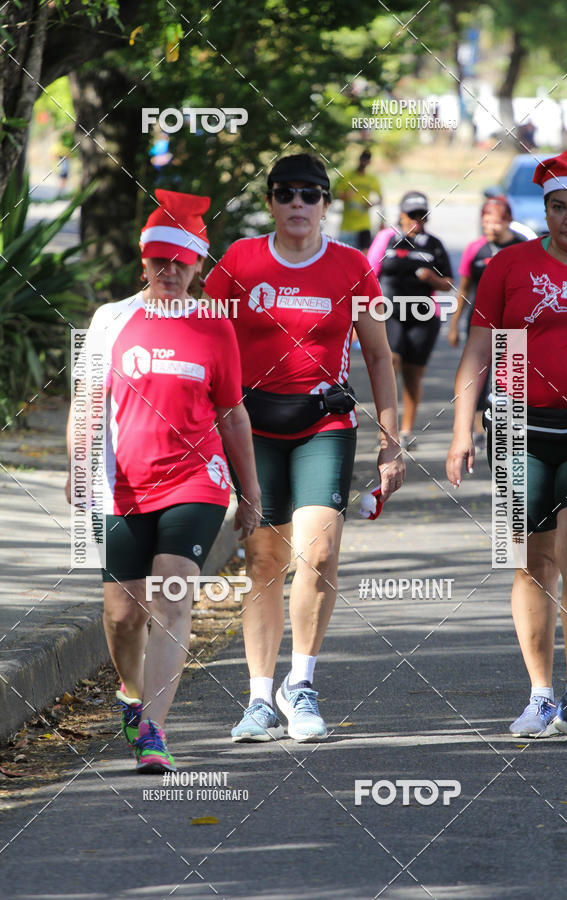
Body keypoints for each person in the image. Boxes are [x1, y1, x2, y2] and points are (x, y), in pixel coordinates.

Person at [205, 152, 404, 743]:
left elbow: (377, 356)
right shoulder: (241, 259)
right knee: (265, 560)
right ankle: (260, 698)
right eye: (286, 193)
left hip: (324, 424)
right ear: (270, 201)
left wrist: (391, 444)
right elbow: (207, 337)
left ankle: (302, 684)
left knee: (317, 553)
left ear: (325, 204)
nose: (298, 204)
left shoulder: (350, 267)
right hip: (254, 426)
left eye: (310, 194)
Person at [65, 189, 261, 772]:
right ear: (144, 262)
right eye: (159, 261)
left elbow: (232, 414)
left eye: (182, 261)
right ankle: (130, 693)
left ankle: (153, 731)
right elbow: (85, 400)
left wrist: (249, 494)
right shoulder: (111, 321)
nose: (170, 271)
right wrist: (77, 464)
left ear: (198, 265)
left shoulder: (214, 327)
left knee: (173, 592)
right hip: (121, 484)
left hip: (195, 482)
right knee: (123, 616)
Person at [446, 150, 567, 741]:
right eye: (558, 207)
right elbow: (480, 352)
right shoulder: (510, 265)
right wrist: (462, 429)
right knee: (530, 563)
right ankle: (539, 696)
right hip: (514, 425)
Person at [367, 191, 454, 449]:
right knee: (390, 362)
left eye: (422, 215)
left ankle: (405, 430)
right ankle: (387, 428)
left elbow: (449, 283)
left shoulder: (434, 244)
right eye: (412, 215)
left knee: (413, 376)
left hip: (424, 315)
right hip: (389, 312)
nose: (417, 220)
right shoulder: (387, 238)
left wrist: (432, 278)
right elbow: (368, 274)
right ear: (401, 214)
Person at [448, 197, 529, 448]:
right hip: (480, 322)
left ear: (507, 221)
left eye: (495, 221)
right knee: (478, 374)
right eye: (485, 221)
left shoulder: (522, 247)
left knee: (510, 377)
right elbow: (463, 289)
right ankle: (476, 428)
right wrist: (454, 325)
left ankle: (510, 429)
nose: (490, 226)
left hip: (513, 324)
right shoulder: (475, 249)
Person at [335, 149, 382, 251]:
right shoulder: (347, 175)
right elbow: (337, 194)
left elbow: (380, 198)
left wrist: (371, 204)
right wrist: (346, 196)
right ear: (359, 159)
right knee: (344, 254)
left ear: (369, 162)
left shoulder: (371, 178)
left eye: (367, 160)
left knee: (364, 254)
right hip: (348, 225)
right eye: (363, 159)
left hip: (364, 224)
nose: (364, 162)